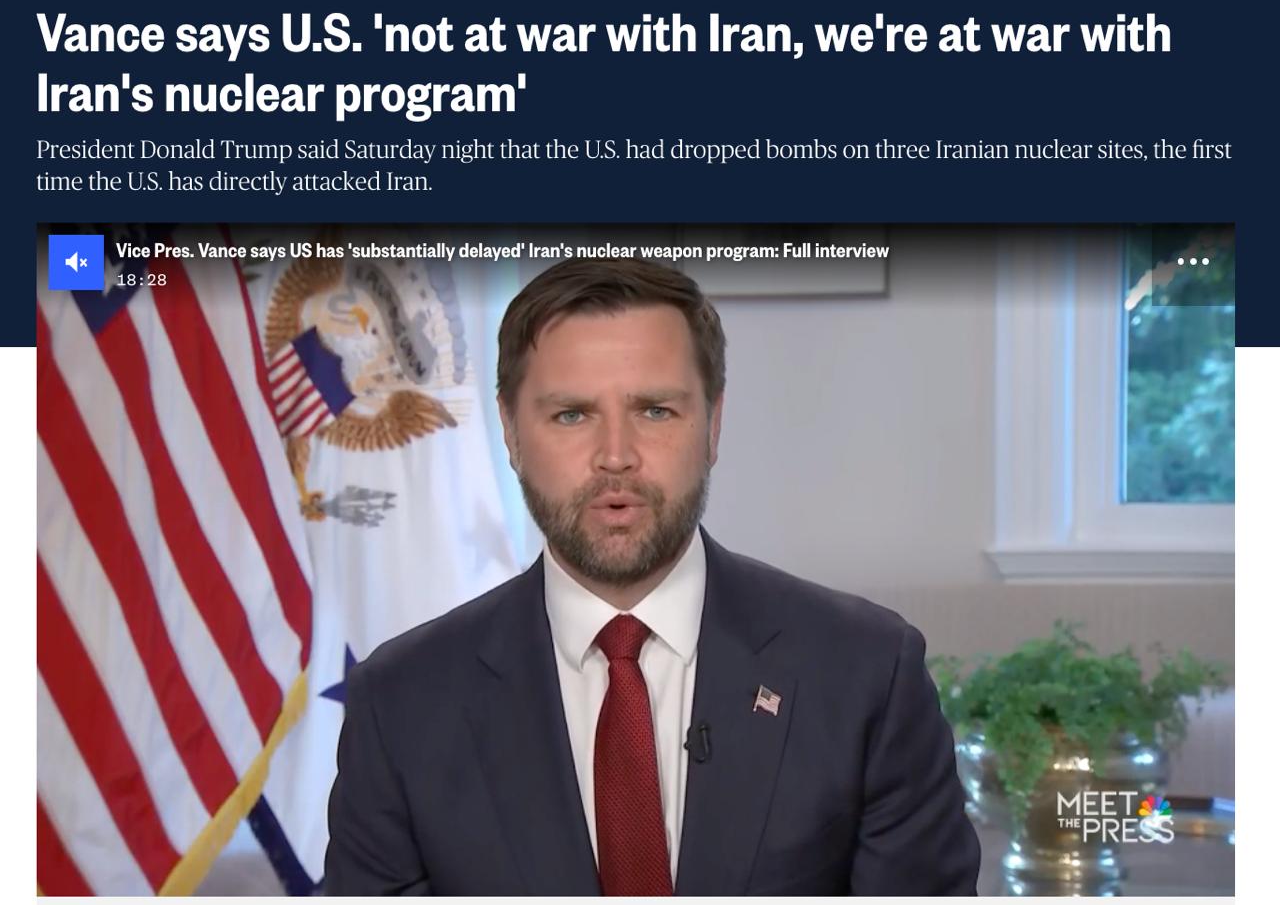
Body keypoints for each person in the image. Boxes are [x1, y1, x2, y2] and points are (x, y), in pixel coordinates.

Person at [324, 258, 981, 895]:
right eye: (572, 414)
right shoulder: (402, 706)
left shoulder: (867, 674)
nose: (616, 456)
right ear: (511, 433)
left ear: (713, 425)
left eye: (655, 410)